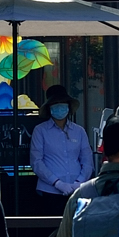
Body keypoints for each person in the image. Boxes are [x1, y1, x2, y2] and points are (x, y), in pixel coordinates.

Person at [30, 84, 95, 215]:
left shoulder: (79, 131)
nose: (59, 106)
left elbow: (87, 161)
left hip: (77, 191)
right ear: (49, 107)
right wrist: (57, 183)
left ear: (68, 106)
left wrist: (79, 183)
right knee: (52, 226)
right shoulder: (40, 131)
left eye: (62, 103)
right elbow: (36, 162)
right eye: (55, 103)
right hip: (49, 192)